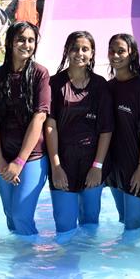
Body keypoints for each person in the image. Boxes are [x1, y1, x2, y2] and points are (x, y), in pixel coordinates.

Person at [44, 31, 113, 235]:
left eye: (85, 49)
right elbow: (50, 126)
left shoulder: (100, 85)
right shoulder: (55, 84)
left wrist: (97, 167)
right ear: (67, 51)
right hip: (63, 162)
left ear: (92, 53)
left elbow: (106, 129)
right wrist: (56, 167)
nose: (79, 53)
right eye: (75, 48)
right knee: (64, 227)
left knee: (90, 225)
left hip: (92, 162)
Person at [0, 21, 51, 237]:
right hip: (3, 156)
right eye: (21, 39)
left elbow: (39, 117)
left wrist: (19, 161)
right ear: (10, 43)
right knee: (11, 216)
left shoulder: (40, 74)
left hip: (31, 157)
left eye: (31, 40)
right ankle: (20, 257)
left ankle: (33, 257)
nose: (26, 44)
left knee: (21, 216)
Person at [104, 33, 140, 230]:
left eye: (121, 51)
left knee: (134, 226)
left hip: (136, 164)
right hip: (114, 164)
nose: (116, 55)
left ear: (132, 54)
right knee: (124, 219)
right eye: (112, 51)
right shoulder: (108, 87)